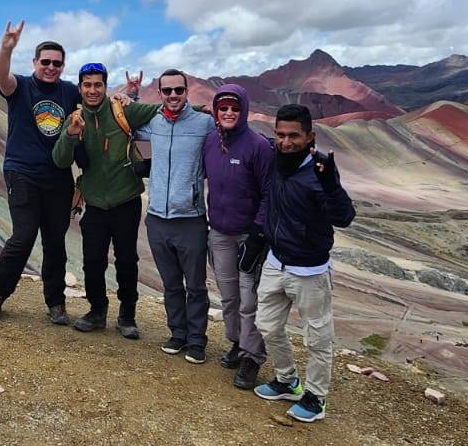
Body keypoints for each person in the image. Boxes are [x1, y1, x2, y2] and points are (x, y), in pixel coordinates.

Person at [253, 104, 355, 423]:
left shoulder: (320, 174)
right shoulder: (277, 161)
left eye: (294, 136)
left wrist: (332, 188)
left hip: (310, 270)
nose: (286, 142)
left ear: (310, 136)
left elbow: (344, 217)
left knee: (318, 337)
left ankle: (316, 397)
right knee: (267, 325)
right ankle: (287, 381)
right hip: (275, 262)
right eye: (280, 135)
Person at [0, 21, 81, 325]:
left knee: (54, 241)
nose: (51, 67)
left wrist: (126, 95)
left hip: (58, 177)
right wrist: (5, 49)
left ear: (63, 66)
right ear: (35, 62)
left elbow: (94, 102)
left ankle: (56, 304)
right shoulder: (21, 86)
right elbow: (0, 77)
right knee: (23, 236)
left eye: (57, 63)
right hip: (22, 173)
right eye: (45, 62)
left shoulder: (69, 91)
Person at [52, 63, 160, 338]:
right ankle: (97, 311)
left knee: (126, 259)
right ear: (80, 88)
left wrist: (210, 111)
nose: (92, 90)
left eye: (97, 85)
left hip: (126, 199)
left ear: (105, 87)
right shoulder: (75, 120)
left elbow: (163, 109)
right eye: (87, 85)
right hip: (94, 202)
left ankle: (127, 316)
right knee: (93, 260)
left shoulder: (122, 111)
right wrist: (71, 135)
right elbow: (60, 160)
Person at [128, 69, 213, 363]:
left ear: (187, 91)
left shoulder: (205, 124)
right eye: (167, 91)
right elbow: (125, 122)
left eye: (179, 90)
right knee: (172, 283)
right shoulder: (152, 122)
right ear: (160, 94)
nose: (173, 96)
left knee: (196, 285)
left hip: (190, 218)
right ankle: (178, 334)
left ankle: (197, 340)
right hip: (157, 219)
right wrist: (134, 95)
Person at [201, 84, 274, 389]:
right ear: (216, 111)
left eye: (234, 108)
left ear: (243, 110)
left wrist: (257, 236)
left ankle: (253, 356)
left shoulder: (258, 146)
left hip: (248, 237)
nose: (228, 113)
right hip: (219, 233)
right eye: (223, 108)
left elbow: (270, 193)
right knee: (229, 298)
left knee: (249, 300)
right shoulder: (210, 142)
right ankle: (236, 342)